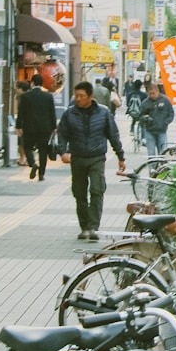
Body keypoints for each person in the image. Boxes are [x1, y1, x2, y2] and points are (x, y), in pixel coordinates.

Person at [57, 80, 126, 241]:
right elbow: (62, 134)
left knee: (97, 190)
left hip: (97, 158)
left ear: (90, 96)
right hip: (77, 158)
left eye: (81, 96)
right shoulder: (69, 113)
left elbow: (113, 135)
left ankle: (94, 227)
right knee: (79, 194)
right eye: (76, 96)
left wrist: (120, 157)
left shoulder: (104, 113)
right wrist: (62, 151)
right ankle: (84, 227)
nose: (78, 99)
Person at [16, 75, 58, 181]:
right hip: (45, 128)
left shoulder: (25, 96)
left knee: (27, 147)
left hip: (29, 127)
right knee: (43, 151)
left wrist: (18, 126)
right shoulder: (48, 96)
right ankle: (41, 174)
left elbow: (21, 113)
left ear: (32, 83)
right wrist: (54, 127)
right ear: (42, 84)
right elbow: (52, 113)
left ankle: (33, 164)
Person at [136, 82, 176, 156]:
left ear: (157, 91)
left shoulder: (165, 100)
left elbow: (171, 114)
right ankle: (153, 164)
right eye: (150, 94)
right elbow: (140, 116)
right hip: (150, 131)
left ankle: (162, 163)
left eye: (153, 93)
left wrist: (165, 123)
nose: (152, 95)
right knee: (151, 153)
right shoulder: (145, 103)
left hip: (162, 130)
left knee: (162, 152)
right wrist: (145, 119)